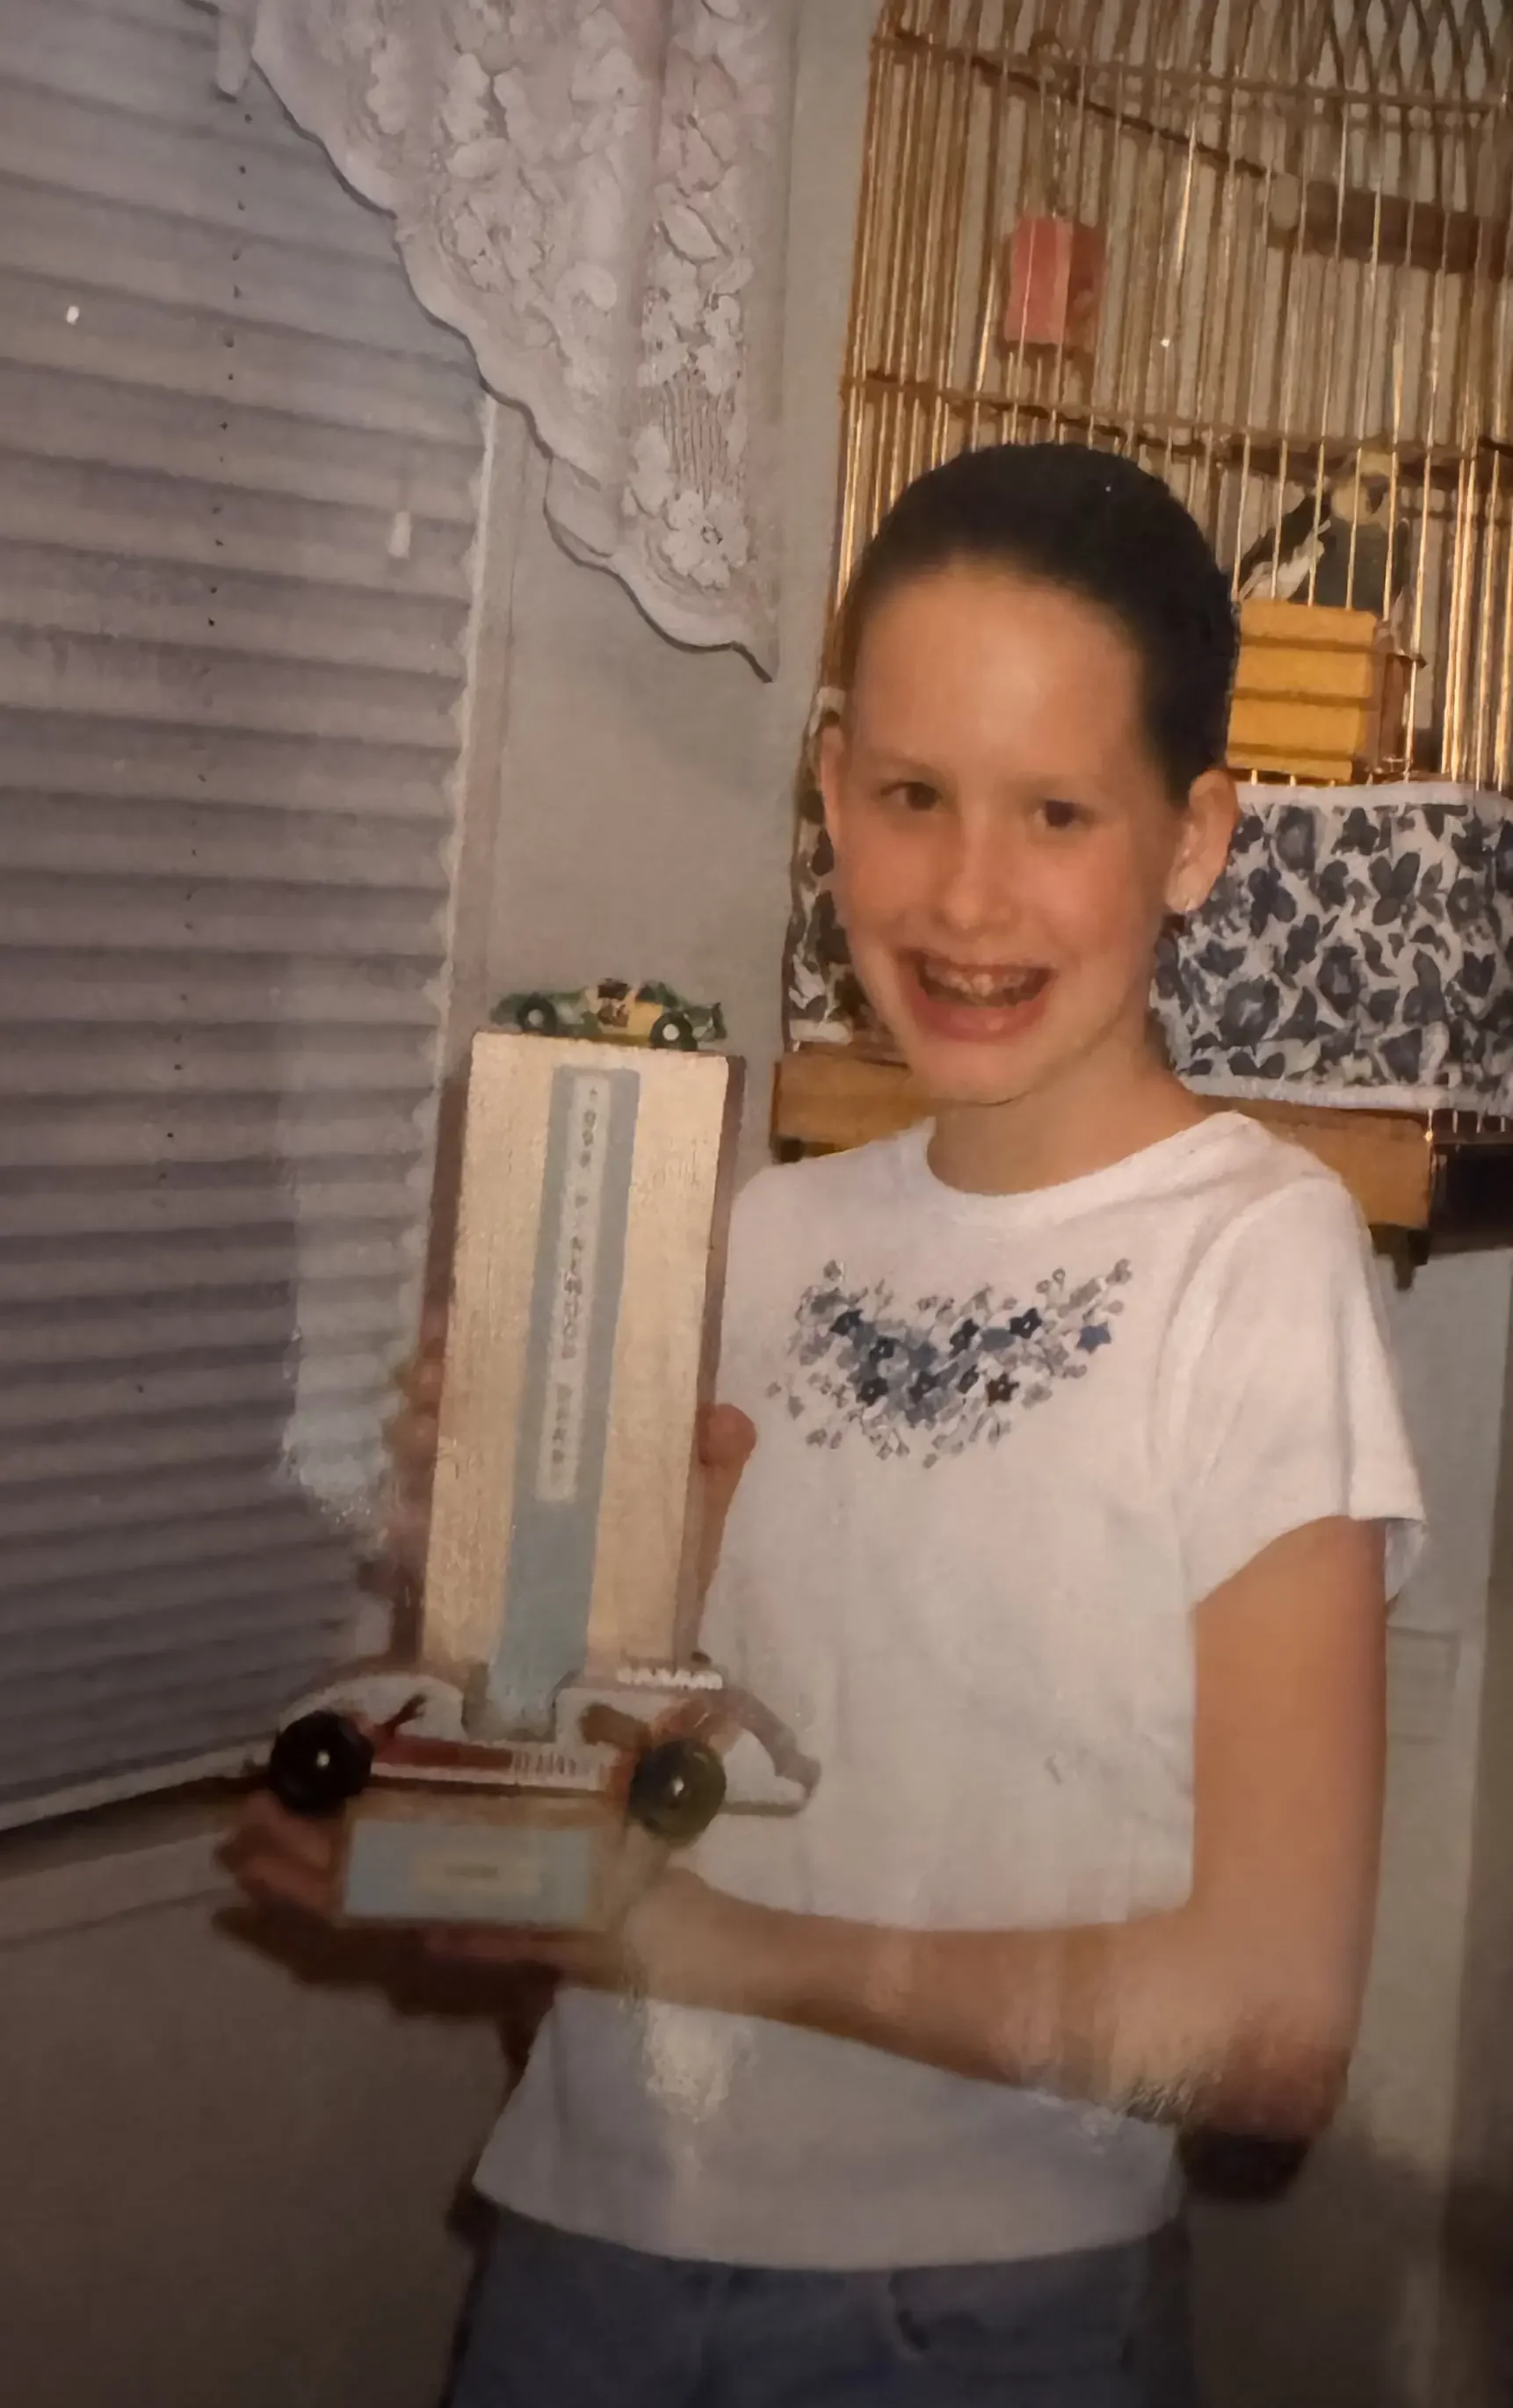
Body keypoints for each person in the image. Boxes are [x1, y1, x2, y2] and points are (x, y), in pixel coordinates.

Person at [230, 443, 1425, 2405]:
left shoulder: (1256, 1263)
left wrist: (706, 1948)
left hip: (980, 2313)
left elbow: (1272, 2035)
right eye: (910, 796)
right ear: (831, 785)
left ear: (1195, 836)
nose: (965, 893)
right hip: (584, 2258)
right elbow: (633, 1830)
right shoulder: (752, 1237)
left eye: (1057, 810)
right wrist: (464, 1731)